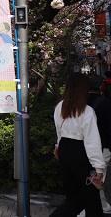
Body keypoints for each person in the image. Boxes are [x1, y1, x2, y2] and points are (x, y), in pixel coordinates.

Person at [51, 73, 106, 216]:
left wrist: (58, 146)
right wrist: (98, 167)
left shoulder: (60, 107)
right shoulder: (87, 111)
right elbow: (91, 141)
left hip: (64, 149)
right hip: (80, 152)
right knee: (91, 199)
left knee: (73, 199)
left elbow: (59, 130)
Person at [87, 75, 111, 214]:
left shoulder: (80, 102)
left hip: (82, 146)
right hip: (102, 145)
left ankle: (89, 204)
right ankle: (103, 205)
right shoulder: (105, 103)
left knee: (89, 175)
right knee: (101, 175)